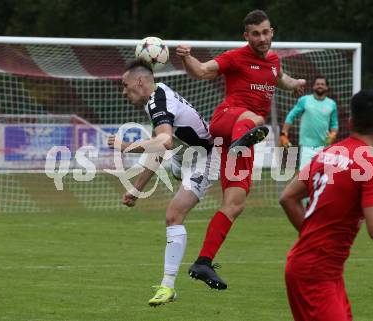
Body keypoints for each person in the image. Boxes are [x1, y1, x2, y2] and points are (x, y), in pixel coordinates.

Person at [176, 9, 306, 290]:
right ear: (246, 36)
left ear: (272, 32)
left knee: (235, 204)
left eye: (266, 32)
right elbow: (201, 71)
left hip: (241, 140)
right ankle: (241, 142)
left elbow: (279, 78)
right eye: (255, 34)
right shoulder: (235, 57)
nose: (262, 38)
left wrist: (294, 84)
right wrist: (186, 57)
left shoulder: (273, 60)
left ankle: (203, 262)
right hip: (227, 120)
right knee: (255, 119)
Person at [279, 89, 373, 321]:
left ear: (350, 122)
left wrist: (312, 240)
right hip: (316, 273)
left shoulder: (326, 153)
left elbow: (288, 197)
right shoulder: (370, 167)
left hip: (317, 269)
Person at [108, 58, 218, 306]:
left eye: (125, 86)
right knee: (174, 169)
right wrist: (136, 189)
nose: (124, 92)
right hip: (186, 158)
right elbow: (159, 151)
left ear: (139, 81)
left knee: (173, 214)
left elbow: (165, 142)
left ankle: (168, 287)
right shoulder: (158, 98)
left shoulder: (158, 101)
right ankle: (167, 287)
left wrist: (125, 146)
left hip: (207, 159)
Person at [280, 76, 339, 170]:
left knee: (323, 177)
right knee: (304, 177)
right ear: (313, 87)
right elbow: (291, 116)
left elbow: (334, 124)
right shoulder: (305, 100)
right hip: (306, 146)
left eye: (322, 84)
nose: (320, 86)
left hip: (324, 146)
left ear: (327, 87)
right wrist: (283, 133)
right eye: (318, 84)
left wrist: (333, 134)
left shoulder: (332, 104)